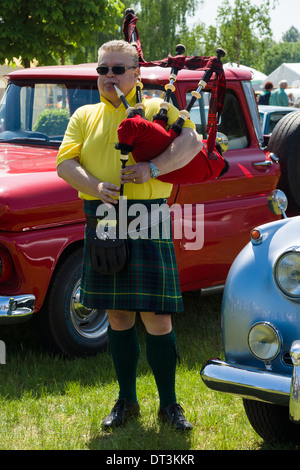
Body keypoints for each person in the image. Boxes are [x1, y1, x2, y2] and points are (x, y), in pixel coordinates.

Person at [56, 40, 202, 431]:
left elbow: (192, 143)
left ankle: (170, 405)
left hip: (146, 216)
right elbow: (65, 163)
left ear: (136, 73)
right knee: (118, 315)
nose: (109, 77)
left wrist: (152, 169)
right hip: (102, 217)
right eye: (102, 70)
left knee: (157, 318)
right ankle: (127, 401)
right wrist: (96, 185)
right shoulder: (84, 115)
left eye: (117, 69)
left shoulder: (156, 107)